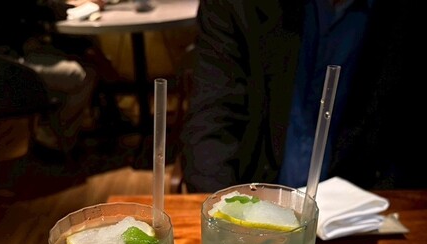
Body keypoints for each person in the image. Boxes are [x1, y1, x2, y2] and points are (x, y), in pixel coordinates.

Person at [181, 0, 425, 193]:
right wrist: (225, 218)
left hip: (363, 211)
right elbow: (212, 123)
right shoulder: (239, 6)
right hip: (251, 206)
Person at [0, 0, 102, 153]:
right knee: (82, 73)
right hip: (4, 68)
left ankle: (49, 128)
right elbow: (42, 9)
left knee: (77, 59)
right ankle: (52, 141)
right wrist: (77, 5)